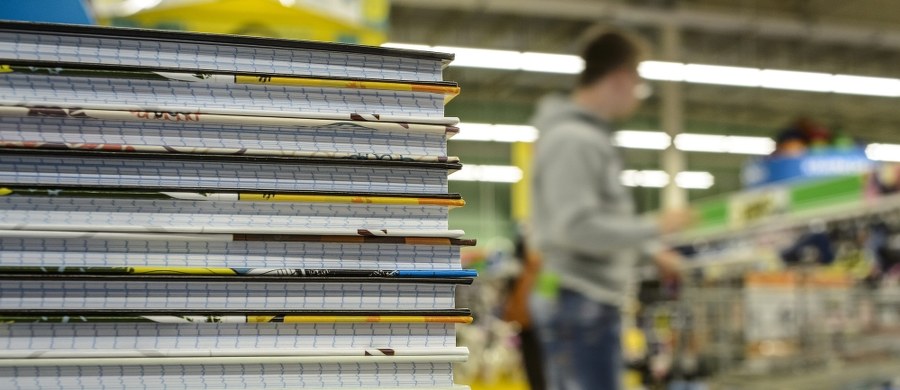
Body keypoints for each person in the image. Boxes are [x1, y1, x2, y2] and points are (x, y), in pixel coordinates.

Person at [529, 28, 692, 390]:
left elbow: (598, 221)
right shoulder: (575, 139)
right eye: (638, 81)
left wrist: (649, 252)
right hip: (579, 299)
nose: (638, 92)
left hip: (576, 298)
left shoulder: (583, 137)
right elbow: (575, 228)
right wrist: (655, 226)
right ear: (620, 77)